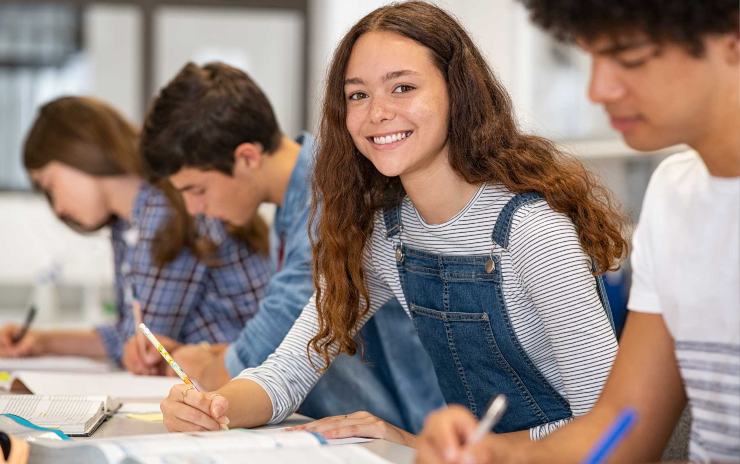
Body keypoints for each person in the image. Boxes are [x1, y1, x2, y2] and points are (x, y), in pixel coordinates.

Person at [159, 1, 627, 446]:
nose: (377, 112)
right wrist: (213, 406)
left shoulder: (531, 231)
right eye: (358, 95)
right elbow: (288, 370)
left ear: (457, 92)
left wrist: (423, 443)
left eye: (403, 87)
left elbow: (610, 424)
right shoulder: (385, 234)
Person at [416, 0, 740, 462]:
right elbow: (621, 428)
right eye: (592, 57)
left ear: (732, 37)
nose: (598, 89)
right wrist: (496, 456)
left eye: (629, 58)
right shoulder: (675, 194)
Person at [138, 61, 444, 436]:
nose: (194, 210)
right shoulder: (292, 204)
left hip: (403, 429)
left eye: (196, 190)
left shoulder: (330, 200)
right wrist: (208, 362)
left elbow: (259, 352)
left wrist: (203, 364)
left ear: (247, 157)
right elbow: (289, 354)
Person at [0, 96, 271, 371]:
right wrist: (40, 342)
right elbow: (131, 334)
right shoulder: (129, 223)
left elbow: (143, 348)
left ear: (79, 151)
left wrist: (50, 342)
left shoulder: (166, 212)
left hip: (254, 380)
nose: (57, 209)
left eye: (50, 184)